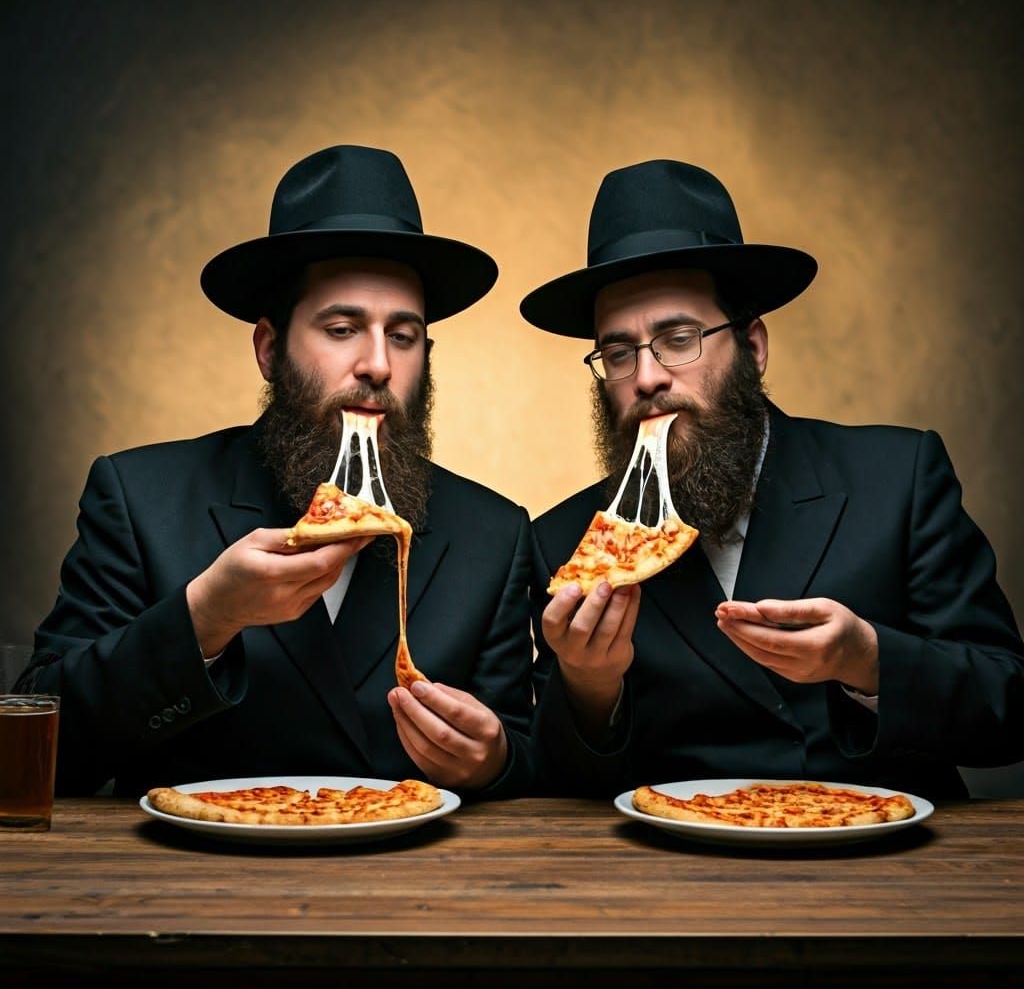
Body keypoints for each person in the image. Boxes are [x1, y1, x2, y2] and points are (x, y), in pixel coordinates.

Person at [18, 144, 534, 798]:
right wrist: (203, 617)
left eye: (402, 336)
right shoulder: (141, 497)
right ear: (269, 349)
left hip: (410, 891)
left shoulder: (492, 534)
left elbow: (524, 760)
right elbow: (41, 744)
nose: (377, 364)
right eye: (343, 328)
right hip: (191, 887)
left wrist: (493, 762)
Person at [519, 158, 1024, 800]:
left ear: (753, 348)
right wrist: (591, 688)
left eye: (678, 338)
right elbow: (558, 792)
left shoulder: (897, 478)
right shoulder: (566, 543)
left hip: (885, 874)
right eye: (619, 353)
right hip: (673, 880)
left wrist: (868, 661)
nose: (646, 378)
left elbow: (1009, 712)